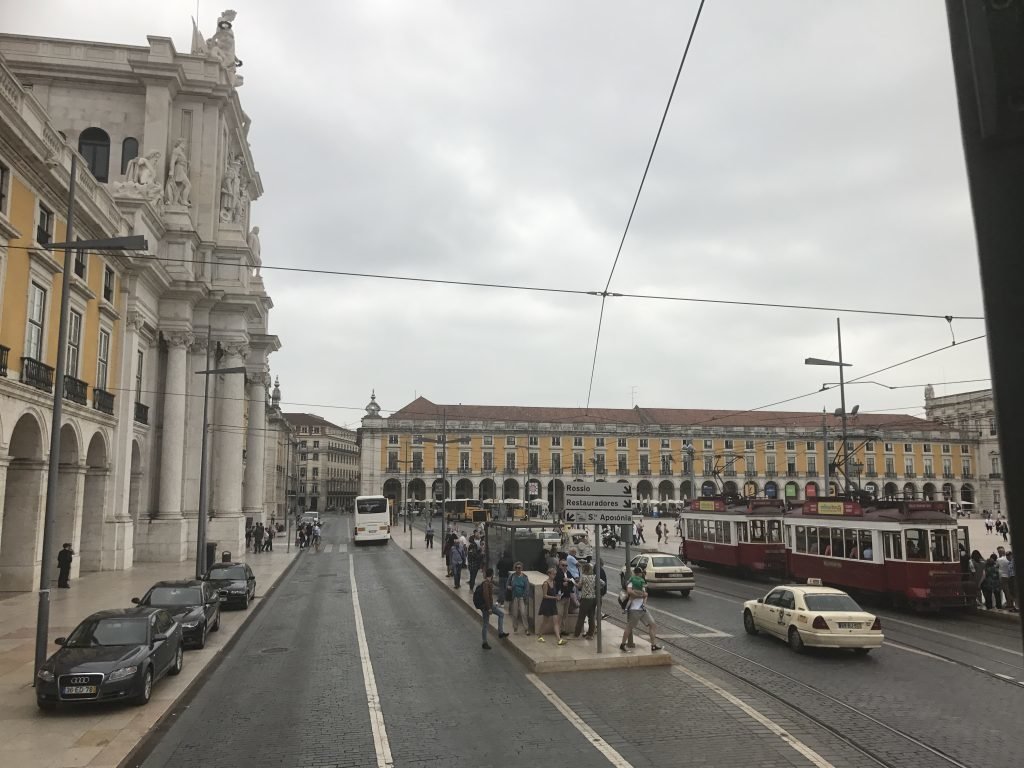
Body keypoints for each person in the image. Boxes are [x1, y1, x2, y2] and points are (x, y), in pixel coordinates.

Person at [620, 566, 661, 652]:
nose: (639, 575)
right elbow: (629, 592)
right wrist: (641, 595)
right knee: (629, 627)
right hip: (634, 609)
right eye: (638, 573)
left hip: (642, 609)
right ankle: (622, 645)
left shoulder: (642, 582)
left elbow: (645, 593)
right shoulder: (632, 581)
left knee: (652, 624)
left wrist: (643, 598)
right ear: (636, 573)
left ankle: (653, 645)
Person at [479, 568, 509, 650]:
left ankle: (500, 633)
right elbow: (486, 596)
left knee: (498, 616)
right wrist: (489, 608)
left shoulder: (488, 582)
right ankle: (485, 641)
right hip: (487, 606)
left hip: (486, 606)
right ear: (492, 575)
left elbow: (497, 584)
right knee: (486, 623)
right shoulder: (486, 584)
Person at [536, 568, 566, 645]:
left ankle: (559, 639)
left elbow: (554, 592)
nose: (554, 575)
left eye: (555, 574)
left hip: (553, 604)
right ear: (549, 574)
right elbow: (545, 596)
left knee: (556, 622)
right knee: (545, 621)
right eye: (553, 574)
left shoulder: (554, 582)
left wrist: (557, 596)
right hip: (547, 604)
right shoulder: (546, 583)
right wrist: (555, 598)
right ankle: (540, 635)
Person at [574, 560, 599, 639]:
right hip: (593, 598)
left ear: (584, 569)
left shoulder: (583, 577)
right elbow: (602, 583)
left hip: (585, 599)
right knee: (591, 617)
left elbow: (579, 586)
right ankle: (590, 634)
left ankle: (576, 634)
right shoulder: (594, 577)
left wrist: (573, 582)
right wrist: (594, 588)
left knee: (581, 616)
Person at [508, 562, 531, 634]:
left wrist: (525, 597)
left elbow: (527, 588)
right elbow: (507, 585)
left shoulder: (524, 577)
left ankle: (526, 629)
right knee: (515, 614)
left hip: (522, 597)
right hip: (514, 597)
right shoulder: (512, 576)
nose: (518, 569)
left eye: (519, 568)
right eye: (516, 568)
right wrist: (510, 587)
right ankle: (515, 628)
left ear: (522, 568)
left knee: (523, 613)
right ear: (515, 568)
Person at [996, 547, 1016, 611]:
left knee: (1006, 591)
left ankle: (1009, 604)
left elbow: (996, 567)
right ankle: (1012, 604)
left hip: (1003, 577)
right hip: (1011, 577)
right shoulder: (1011, 560)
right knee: (1011, 591)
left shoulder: (999, 559)